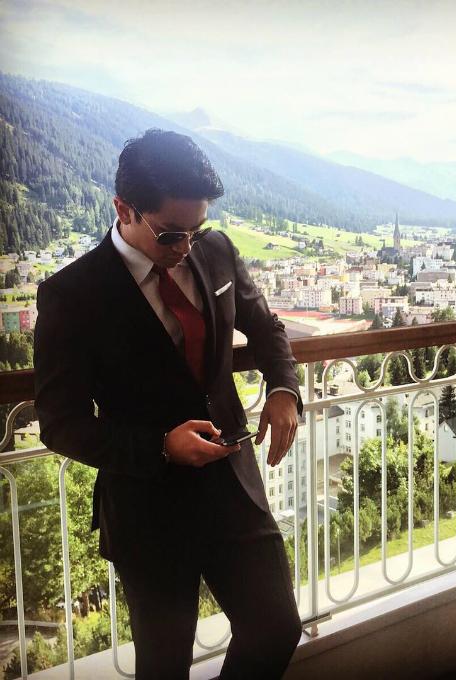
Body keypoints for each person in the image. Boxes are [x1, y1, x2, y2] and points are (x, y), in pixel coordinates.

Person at [33, 128, 303, 679]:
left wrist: (283, 389)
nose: (186, 247)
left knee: (277, 628)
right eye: (172, 234)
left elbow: (266, 327)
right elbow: (60, 423)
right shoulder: (71, 296)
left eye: (195, 230)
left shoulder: (216, 250)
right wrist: (160, 447)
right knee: (164, 666)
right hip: (147, 508)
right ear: (123, 209)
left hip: (234, 487)